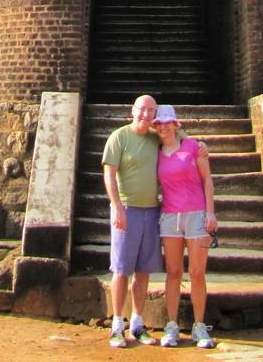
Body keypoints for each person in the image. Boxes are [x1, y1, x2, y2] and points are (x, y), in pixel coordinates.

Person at [153, 104, 218, 349]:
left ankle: (199, 325)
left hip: (196, 214)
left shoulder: (193, 147)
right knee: (173, 272)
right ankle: (171, 324)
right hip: (170, 216)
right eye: (159, 123)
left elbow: (207, 179)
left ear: (175, 124)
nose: (163, 127)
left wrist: (210, 212)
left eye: (167, 122)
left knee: (198, 273)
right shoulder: (156, 152)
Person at [102, 93, 162, 347]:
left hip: (152, 210)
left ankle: (137, 322)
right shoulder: (119, 137)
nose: (145, 114)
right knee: (121, 269)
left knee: (143, 270)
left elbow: (180, 141)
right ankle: (117, 323)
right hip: (127, 209)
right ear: (132, 110)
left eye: (150, 111)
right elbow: (109, 174)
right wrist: (117, 207)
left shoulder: (156, 139)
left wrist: (199, 147)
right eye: (141, 109)